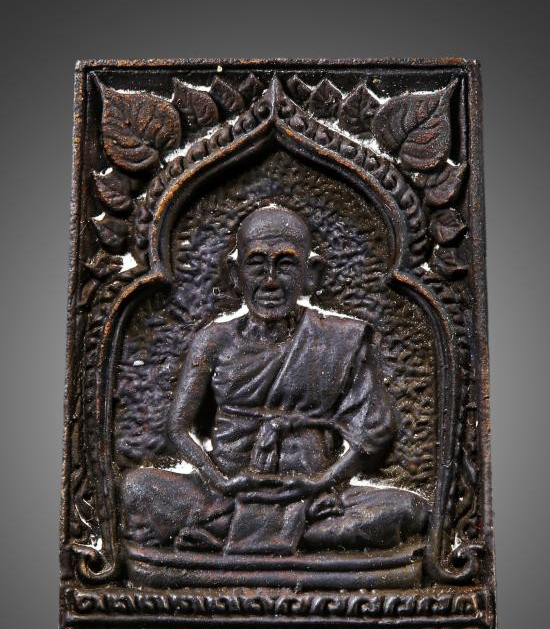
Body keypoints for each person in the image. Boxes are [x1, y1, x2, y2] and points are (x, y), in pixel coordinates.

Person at [121, 206, 428, 554]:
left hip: (311, 494)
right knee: (137, 489)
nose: (270, 281)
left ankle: (230, 532)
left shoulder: (339, 339)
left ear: (310, 274)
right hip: (227, 491)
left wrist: (322, 481)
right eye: (257, 265)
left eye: (285, 265)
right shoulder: (214, 341)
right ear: (235, 274)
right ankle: (285, 535)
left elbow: (372, 432)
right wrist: (220, 479)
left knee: (410, 509)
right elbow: (178, 428)